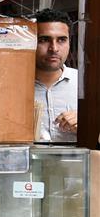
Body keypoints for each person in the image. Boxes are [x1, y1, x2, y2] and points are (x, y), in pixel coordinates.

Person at [33, 8, 77, 142]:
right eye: (44, 40)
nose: (54, 48)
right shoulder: (11, 88)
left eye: (62, 40)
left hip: (78, 163)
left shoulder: (87, 84)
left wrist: (88, 126)